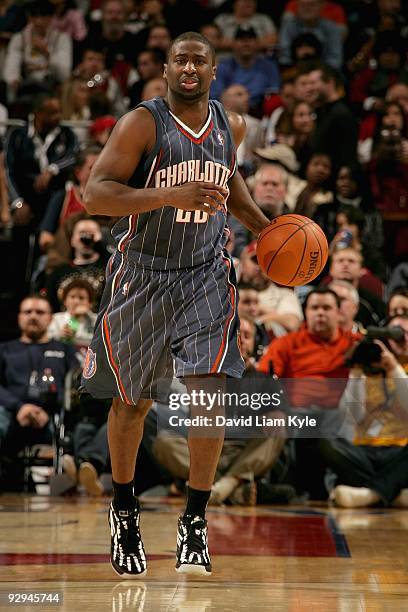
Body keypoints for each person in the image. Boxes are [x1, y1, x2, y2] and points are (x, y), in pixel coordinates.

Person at [80, 31, 271, 577]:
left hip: (206, 274)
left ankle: (194, 519)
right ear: (167, 68)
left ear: (214, 71)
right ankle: (124, 508)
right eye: (181, 59)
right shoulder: (142, 123)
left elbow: (227, 178)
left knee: (208, 394)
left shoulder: (229, 125)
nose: (190, 67)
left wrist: (264, 228)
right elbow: (95, 194)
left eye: (200, 60)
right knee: (133, 403)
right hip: (142, 276)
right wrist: (166, 194)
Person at [0, 295, 79, 489]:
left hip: (52, 418)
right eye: (28, 312)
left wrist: (50, 408)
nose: (33, 316)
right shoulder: (5, 350)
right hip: (10, 413)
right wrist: (20, 407)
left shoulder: (65, 350)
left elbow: (75, 387)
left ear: (51, 318)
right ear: (19, 317)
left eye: (40, 312)